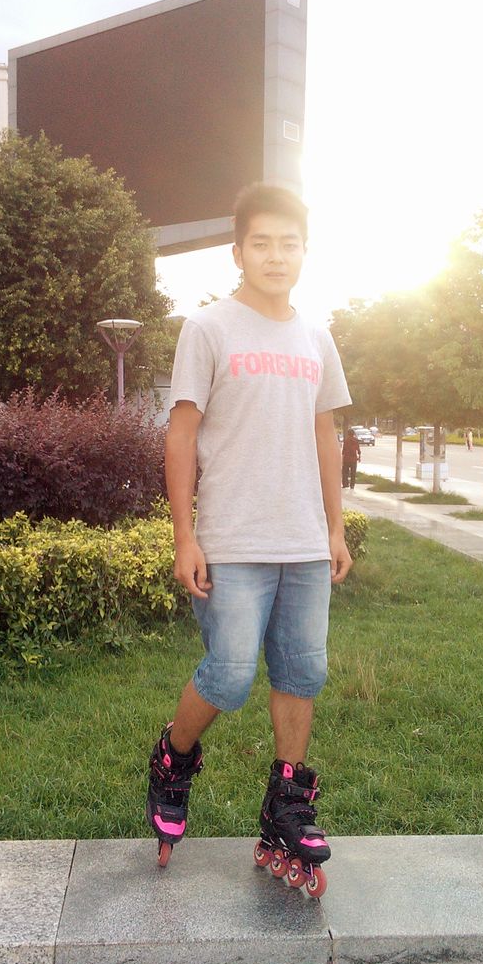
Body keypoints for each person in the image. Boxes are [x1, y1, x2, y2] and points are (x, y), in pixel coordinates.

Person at [146, 182, 353, 893]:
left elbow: (326, 436)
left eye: (288, 243)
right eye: (260, 243)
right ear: (237, 252)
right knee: (230, 673)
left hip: (303, 542)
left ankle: (286, 804)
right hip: (232, 539)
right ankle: (173, 759)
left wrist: (335, 527)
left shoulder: (316, 337)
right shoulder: (209, 328)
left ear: (304, 252)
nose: (274, 255)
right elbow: (181, 434)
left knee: (302, 674)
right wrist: (184, 535)